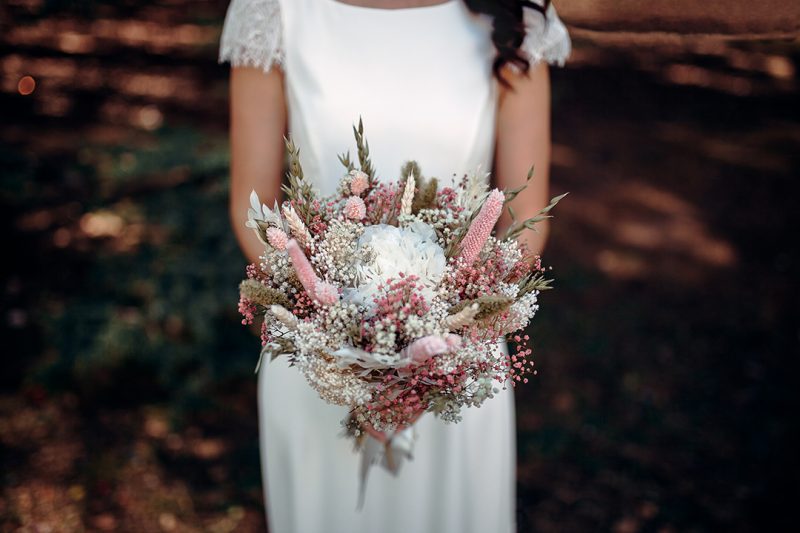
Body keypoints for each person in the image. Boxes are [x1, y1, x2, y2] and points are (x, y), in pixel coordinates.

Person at [219, 1, 570, 531]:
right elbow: (253, 207)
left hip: (460, 363)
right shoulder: (275, 11)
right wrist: (337, 339)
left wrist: (433, 359)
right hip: (318, 364)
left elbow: (526, 220)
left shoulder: (516, 15)